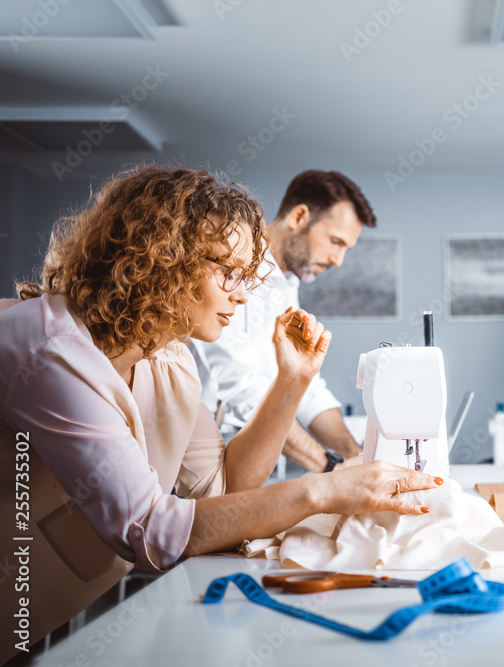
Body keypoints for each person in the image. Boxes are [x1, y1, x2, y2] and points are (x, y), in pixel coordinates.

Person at [0, 166, 437, 660]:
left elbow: (226, 490)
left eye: (246, 275)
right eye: (227, 272)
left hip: (55, 617)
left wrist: (292, 381)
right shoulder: (54, 354)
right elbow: (152, 530)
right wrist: (326, 490)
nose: (243, 293)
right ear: (161, 259)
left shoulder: (168, 356)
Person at [189, 170, 375, 474]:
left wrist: (358, 456)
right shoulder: (234, 273)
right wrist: (330, 467)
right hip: (197, 452)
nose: (338, 260)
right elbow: (245, 391)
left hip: (247, 456)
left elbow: (307, 389)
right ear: (299, 216)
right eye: (335, 242)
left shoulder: (286, 284)